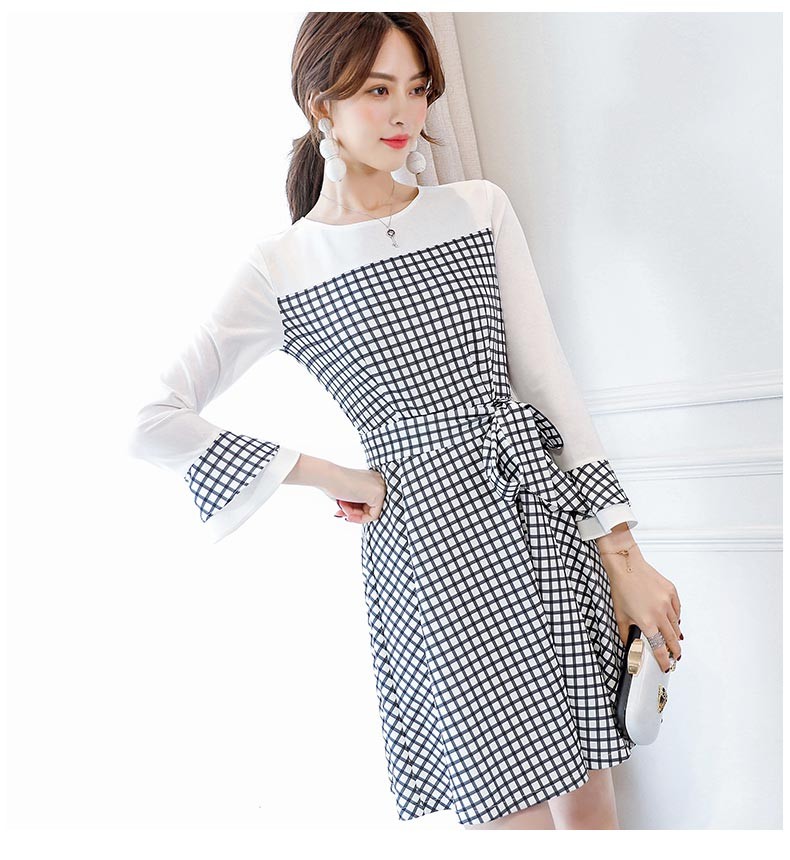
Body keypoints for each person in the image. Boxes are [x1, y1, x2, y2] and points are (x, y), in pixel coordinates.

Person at [128, 12, 684, 830]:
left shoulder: (477, 208)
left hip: (540, 521)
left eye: (417, 90)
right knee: (514, 818)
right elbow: (152, 420)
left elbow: (549, 387)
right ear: (320, 102)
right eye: (377, 90)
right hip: (430, 551)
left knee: (593, 807)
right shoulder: (282, 266)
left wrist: (623, 554)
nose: (403, 114)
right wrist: (331, 474)